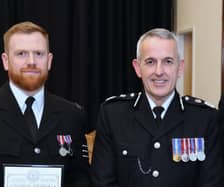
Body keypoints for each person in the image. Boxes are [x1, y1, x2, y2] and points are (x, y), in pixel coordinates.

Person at [0, 21, 91, 187]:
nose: (31, 61)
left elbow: (81, 179)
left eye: (39, 53)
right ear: (5, 61)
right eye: (21, 53)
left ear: (49, 61)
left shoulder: (72, 115)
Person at [91, 28, 223, 187]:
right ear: (137, 67)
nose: (159, 71)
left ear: (180, 67)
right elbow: (103, 182)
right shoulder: (113, 115)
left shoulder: (204, 119)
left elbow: (211, 183)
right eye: (150, 62)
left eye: (168, 61)